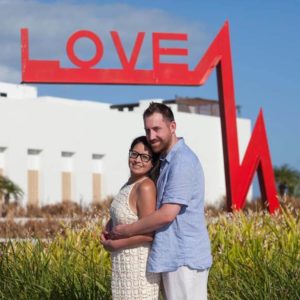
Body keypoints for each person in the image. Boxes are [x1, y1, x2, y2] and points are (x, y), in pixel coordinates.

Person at [111, 102, 212, 300]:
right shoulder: (168, 161)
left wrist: (127, 230)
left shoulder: (181, 161)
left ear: (172, 127)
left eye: (157, 129)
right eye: (148, 130)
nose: (151, 136)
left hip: (183, 258)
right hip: (172, 257)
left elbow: (167, 214)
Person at [100, 136, 161, 300]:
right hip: (123, 266)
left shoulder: (145, 187)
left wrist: (115, 244)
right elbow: (124, 215)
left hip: (138, 267)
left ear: (152, 163)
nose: (137, 160)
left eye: (144, 157)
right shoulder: (129, 183)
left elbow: (149, 234)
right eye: (134, 154)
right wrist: (107, 229)